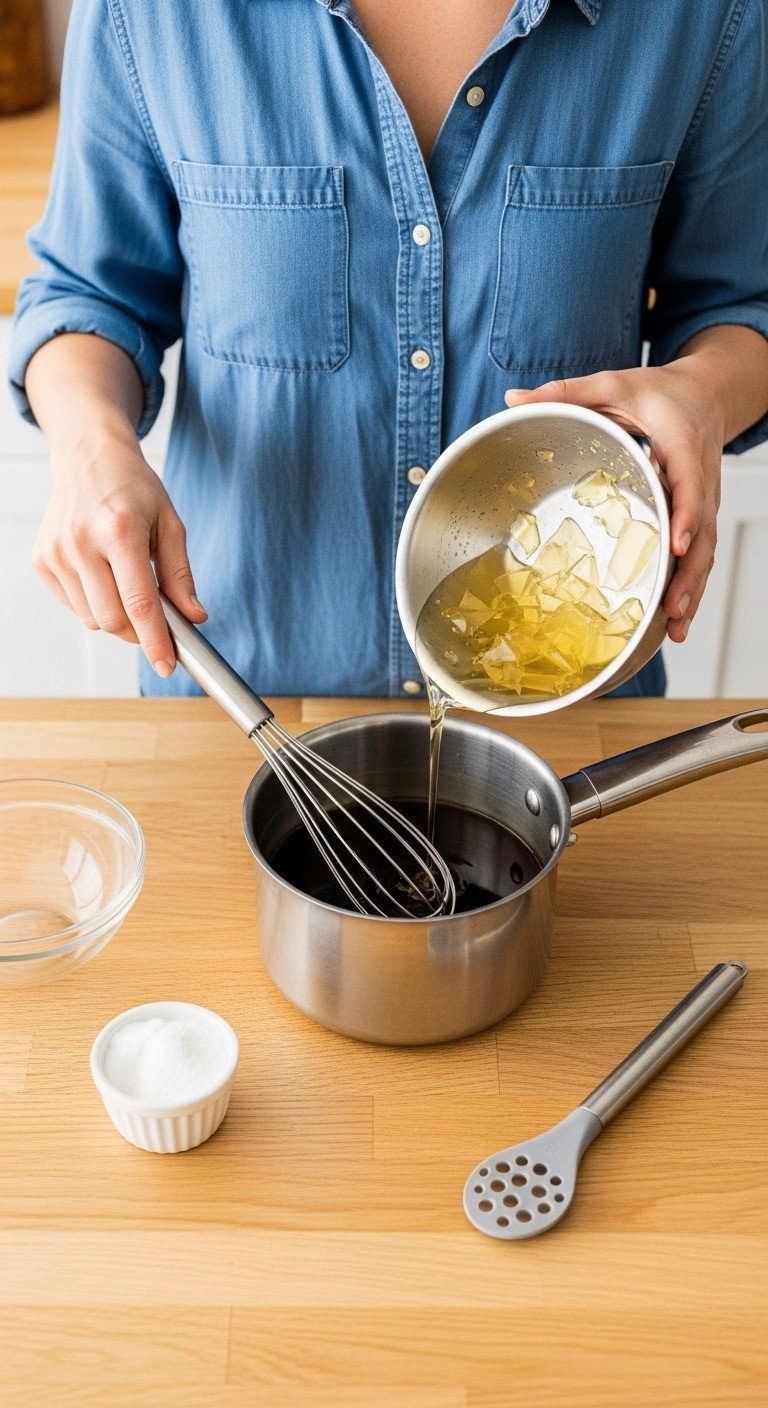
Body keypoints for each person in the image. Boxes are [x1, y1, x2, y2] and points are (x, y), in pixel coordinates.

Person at [9, 0, 768, 701]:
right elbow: (89, 295)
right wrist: (89, 450)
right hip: (235, 704)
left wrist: (703, 394)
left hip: (566, 716)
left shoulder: (704, 14)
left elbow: (742, 305)